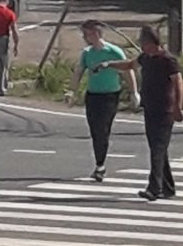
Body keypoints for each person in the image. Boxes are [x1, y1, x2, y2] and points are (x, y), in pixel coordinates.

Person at [94, 25, 183, 201]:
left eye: (144, 43)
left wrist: (178, 107)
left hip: (165, 109)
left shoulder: (168, 60)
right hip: (150, 107)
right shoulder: (145, 58)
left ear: (152, 42)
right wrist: (109, 64)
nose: (142, 46)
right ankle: (167, 187)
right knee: (158, 149)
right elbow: (130, 64)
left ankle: (154, 188)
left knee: (157, 148)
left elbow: (178, 83)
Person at [65, 20, 139, 182]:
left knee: (103, 130)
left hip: (110, 96)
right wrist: (72, 91)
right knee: (95, 130)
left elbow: (128, 71)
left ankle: (100, 164)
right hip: (93, 95)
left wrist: (134, 92)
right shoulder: (87, 53)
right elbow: (79, 72)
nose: (84, 37)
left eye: (87, 34)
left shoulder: (113, 51)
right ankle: (100, 164)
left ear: (97, 34)